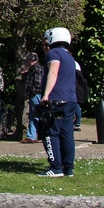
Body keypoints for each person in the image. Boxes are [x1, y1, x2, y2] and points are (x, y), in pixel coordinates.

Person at [38, 28, 77, 178]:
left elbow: (53, 72)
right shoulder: (69, 57)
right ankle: (68, 167)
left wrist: (46, 94)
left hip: (57, 99)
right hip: (70, 100)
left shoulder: (53, 54)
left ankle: (55, 167)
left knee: (50, 132)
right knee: (67, 134)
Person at [22, 52, 44, 144]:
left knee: (35, 115)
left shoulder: (37, 69)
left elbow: (38, 83)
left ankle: (32, 136)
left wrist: (32, 92)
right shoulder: (34, 69)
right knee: (35, 115)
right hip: (36, 94)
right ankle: (37, 135)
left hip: (36, 94)